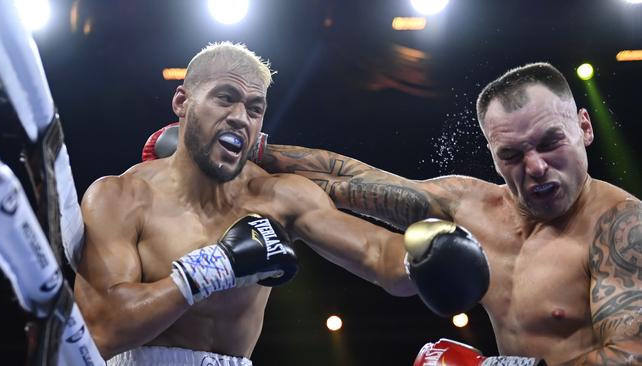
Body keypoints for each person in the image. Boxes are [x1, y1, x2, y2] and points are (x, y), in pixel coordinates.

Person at [259, 63, 642, 365]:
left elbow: (631, 354)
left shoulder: (620, 227)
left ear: (585, 127)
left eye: (549, 143)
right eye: (511, 154)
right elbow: (351, 181)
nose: (536, 167)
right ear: (493, 157)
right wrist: (252, 156)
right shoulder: (472, 207)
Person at [72, 41, 427, 365]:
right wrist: (211, 270)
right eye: (225, 98)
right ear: (182, 102)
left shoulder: (277, 195)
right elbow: (100, 331)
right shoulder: (120, 197)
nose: (241, 117)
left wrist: (434, 254)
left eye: (255, 109)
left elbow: (380, 255)